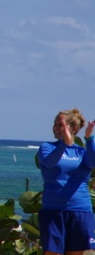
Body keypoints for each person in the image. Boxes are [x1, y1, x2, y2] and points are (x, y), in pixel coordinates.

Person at [37, 108, 95, 255]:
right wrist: (64, 144)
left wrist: (89, 139)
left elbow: (92, 162)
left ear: (73, 128)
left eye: (60, 125)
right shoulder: (47, 147)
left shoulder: (81, 152)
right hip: (53, 211)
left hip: (80, 210)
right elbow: (49, 162)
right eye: (55, 124)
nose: (55, 128)